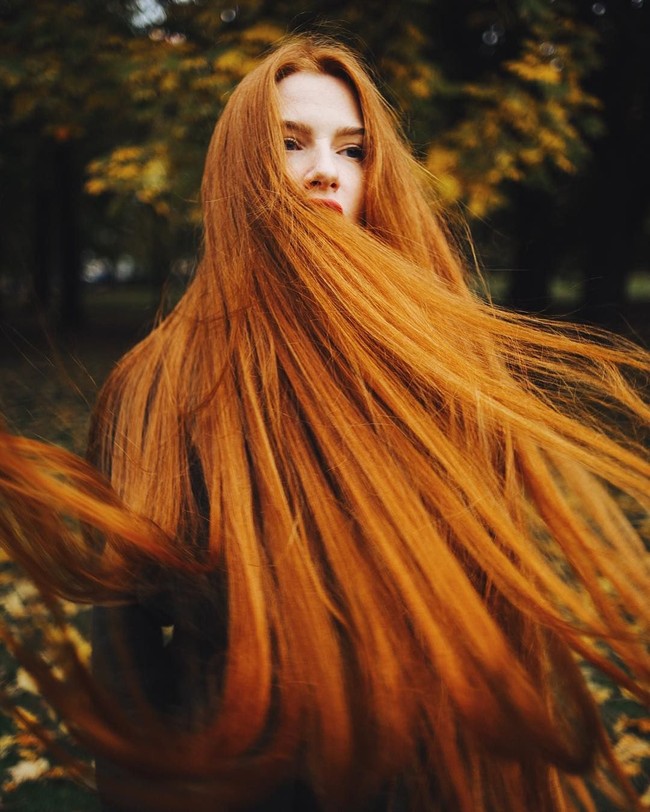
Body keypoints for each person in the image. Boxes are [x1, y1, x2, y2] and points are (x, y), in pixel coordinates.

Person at [0, 35, 649, 812]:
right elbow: (128, 659)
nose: (324, 172)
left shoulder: (440, 358)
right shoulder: (154, 384)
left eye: (352, 149)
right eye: (290, 143)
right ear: (239, 167)